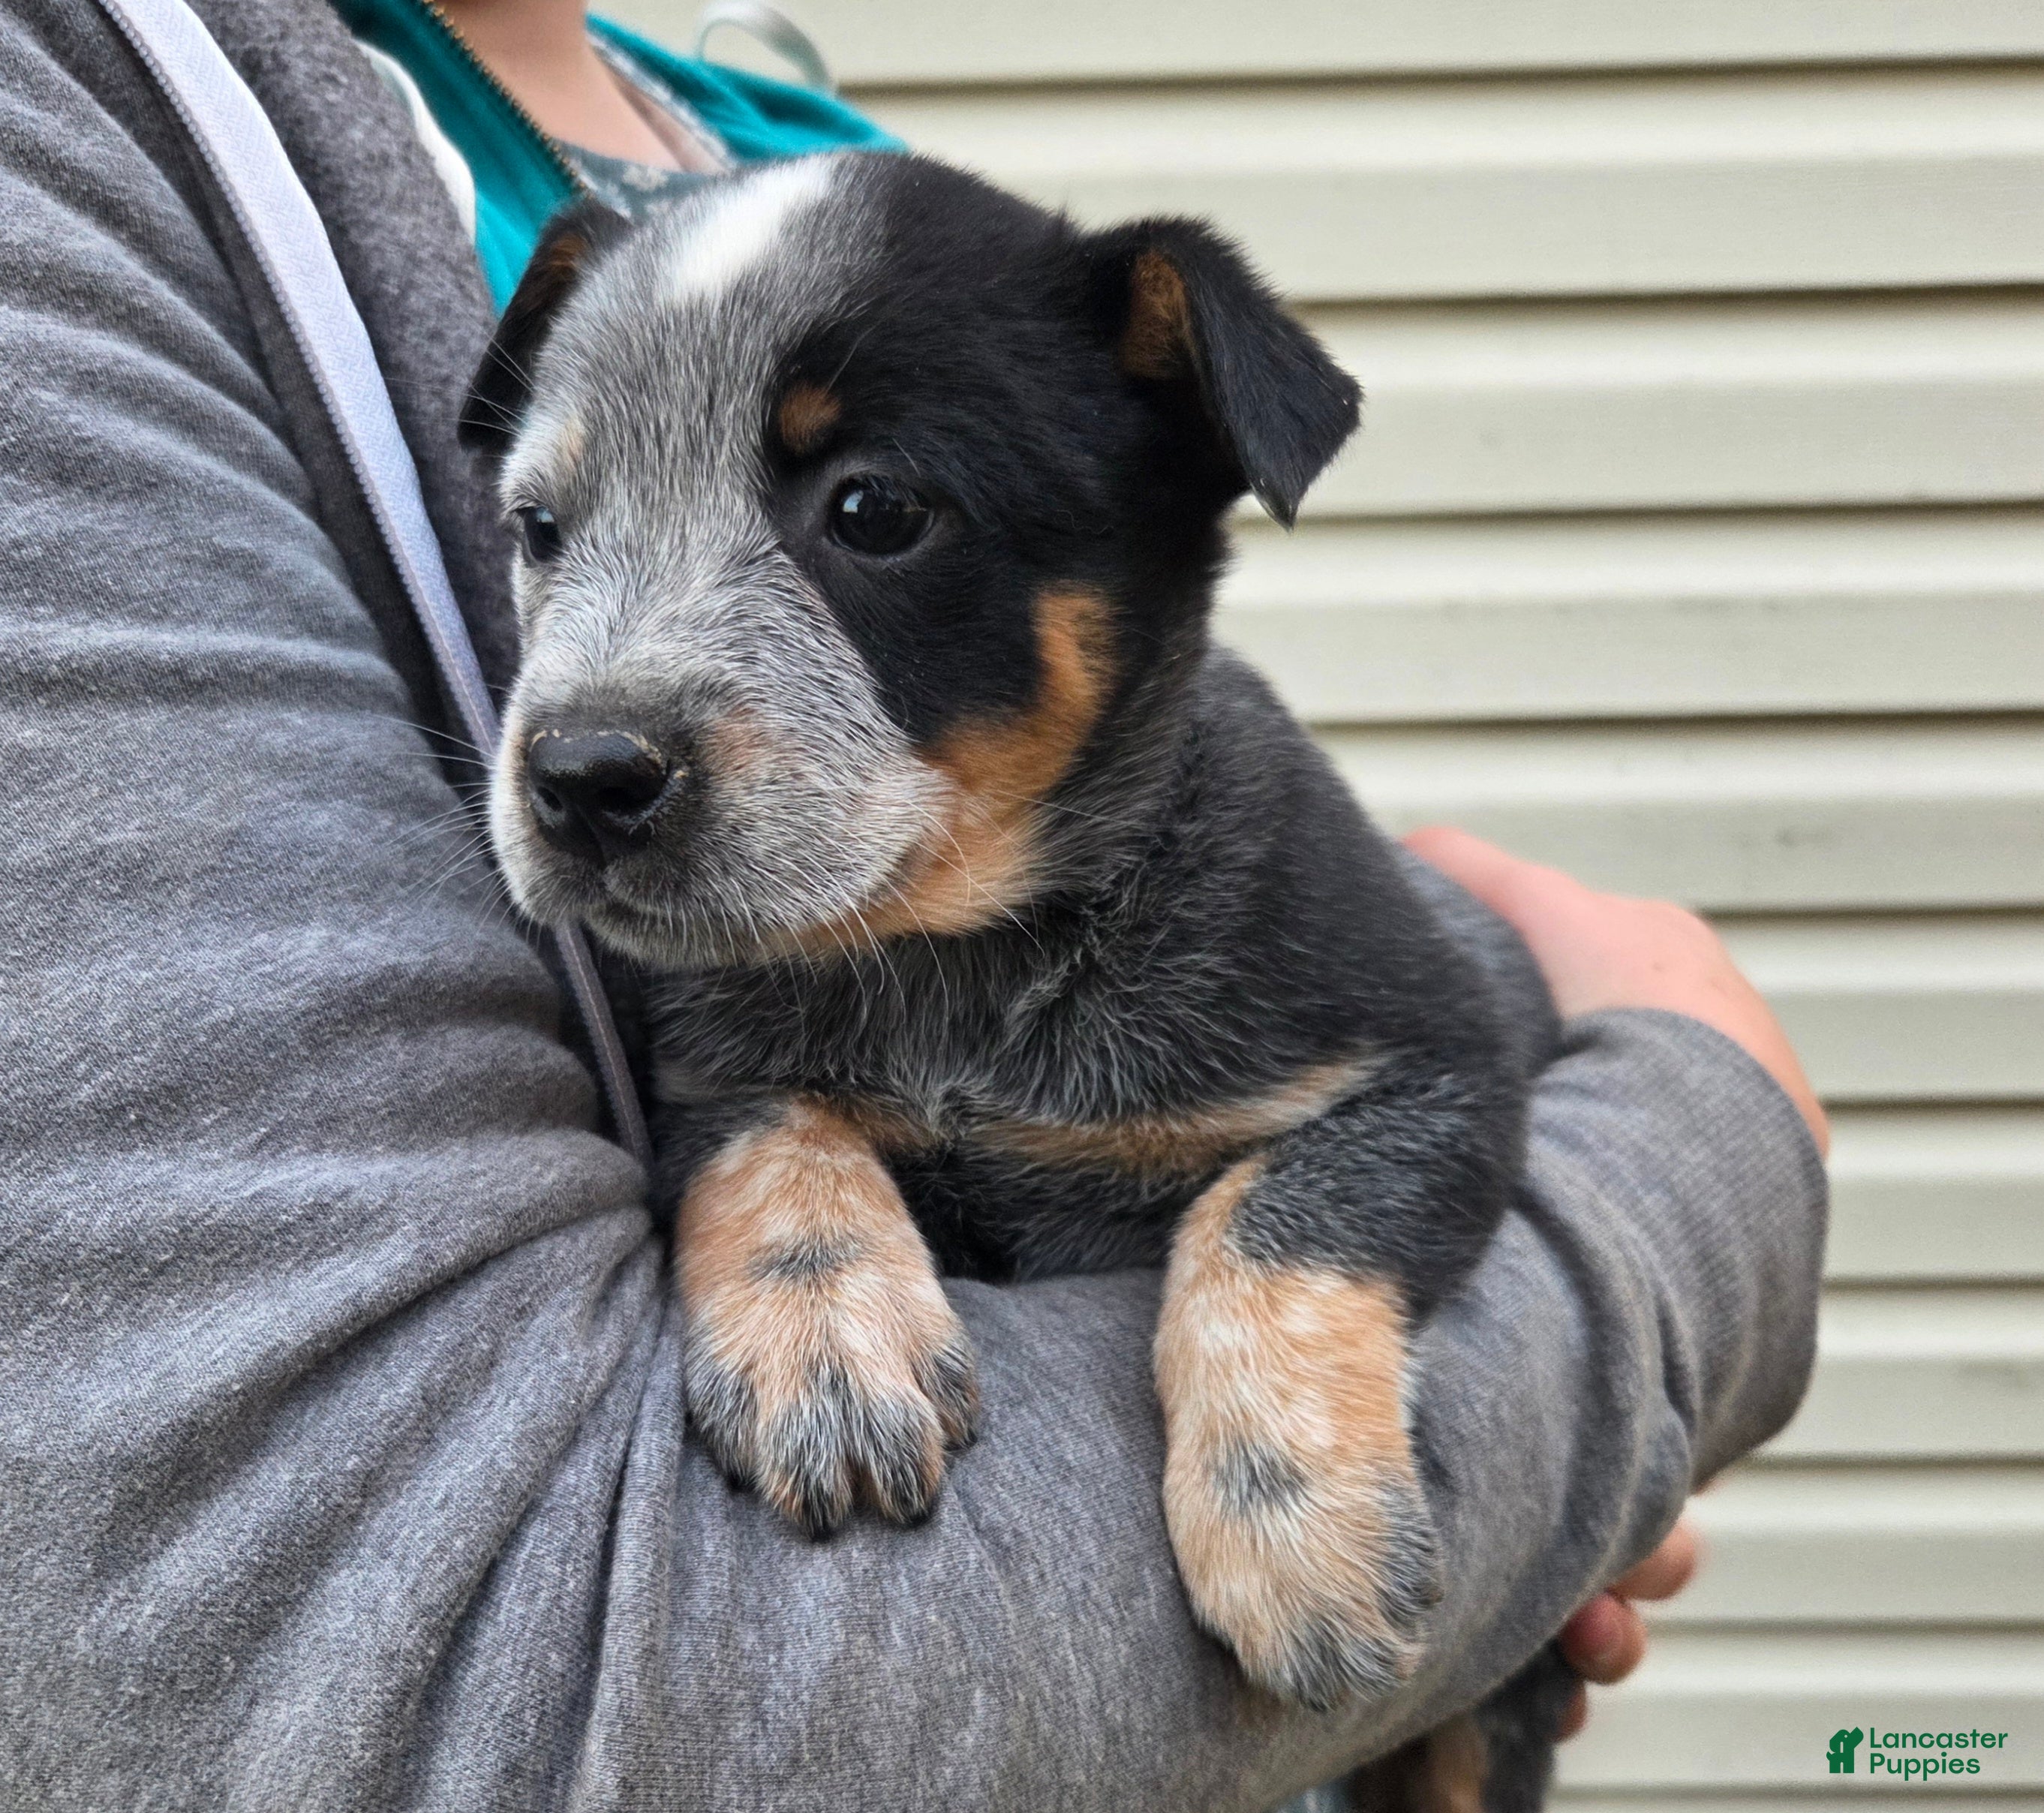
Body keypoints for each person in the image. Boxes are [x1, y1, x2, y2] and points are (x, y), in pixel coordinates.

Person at [0, 1, 1827, 1807]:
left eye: (869, 515)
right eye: (552, 529)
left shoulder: (762, 128)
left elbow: (1423, 1082)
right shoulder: (77, 133)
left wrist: (1315, 1338)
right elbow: (499, 1700)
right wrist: (1634, 1301)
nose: (590, 718)